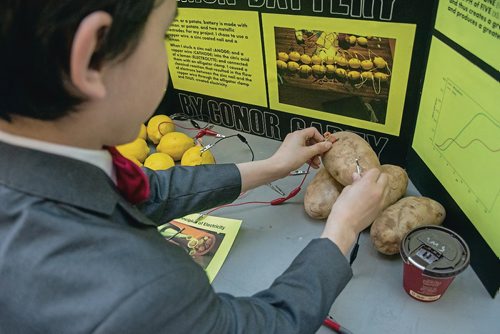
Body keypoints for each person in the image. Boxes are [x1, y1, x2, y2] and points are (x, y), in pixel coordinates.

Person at [0, 1, 388, 333]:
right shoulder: (137, 286)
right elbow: (265, 326)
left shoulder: (38, 162)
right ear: (92, 57)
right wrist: (343, 228)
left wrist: (273, 167)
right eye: (164, 35)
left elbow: (144, 191)